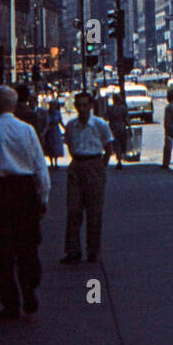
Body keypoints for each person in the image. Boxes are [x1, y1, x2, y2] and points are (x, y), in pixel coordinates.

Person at [0, 85, 50, 320]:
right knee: (28, 245)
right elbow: (39, 166)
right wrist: (42, 197)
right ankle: (29, 286)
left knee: (0, 252)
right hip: (24, 192)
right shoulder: (27, 130)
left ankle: (10, 302)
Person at [61, 91, 113, 264]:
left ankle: (93, 250)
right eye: (79, 105)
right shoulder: (71, 125)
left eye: (85, 105)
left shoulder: (99, 125)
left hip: (94, 165)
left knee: (94, 211)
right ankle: (73, 251)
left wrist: (100, 167)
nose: (82, 109)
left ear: (91, 106)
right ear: (75, 107)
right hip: (76, 166)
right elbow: (69, 145)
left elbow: (109, 147)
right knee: (73, 210)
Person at [106, 92, 129, 169]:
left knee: (116, 144)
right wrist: (129, 127)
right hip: (121, 126)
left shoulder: (110, 108)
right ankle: (120, 159)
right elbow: (126, 119)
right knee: (121, 143)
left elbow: (106, 118)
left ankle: (119, 159)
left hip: (113, 127)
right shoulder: (123, 108)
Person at [43, 99, 64, 170]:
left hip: (56, 131)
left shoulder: (57, 113)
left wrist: (65, 128)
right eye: (51, 105)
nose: (52, 106)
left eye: (53, 105)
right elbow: (46, 123)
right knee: (50, 146)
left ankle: (56, 163)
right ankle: (51, 163)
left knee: (56, 147)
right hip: (49, 131)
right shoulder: (46, 113)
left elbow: (60, 121)